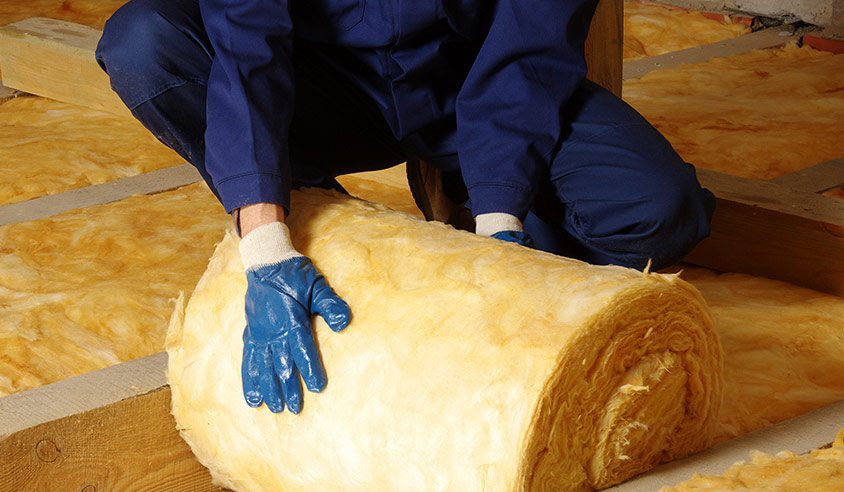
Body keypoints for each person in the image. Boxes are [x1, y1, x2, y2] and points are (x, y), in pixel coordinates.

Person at [96, 0, 716, 414]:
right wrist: (264, 243)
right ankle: (326, 220)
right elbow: (247, 48)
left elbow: (530, 48)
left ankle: (463, 188)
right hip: (319, 82)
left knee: (661, 210)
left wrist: (501, 219)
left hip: (466, 81)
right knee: (145, 43)